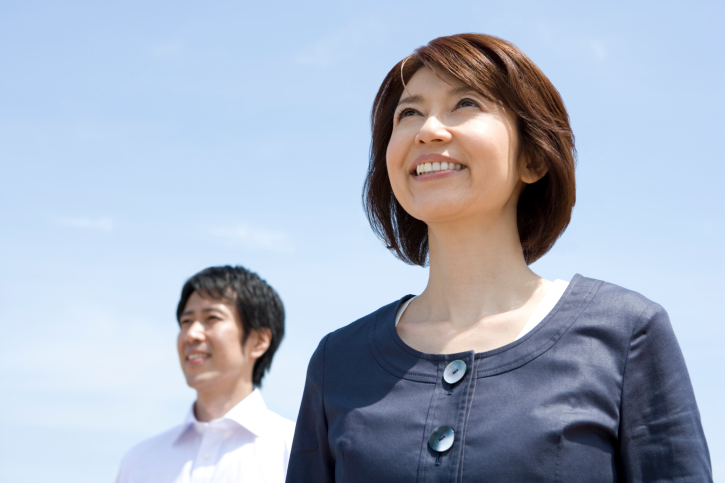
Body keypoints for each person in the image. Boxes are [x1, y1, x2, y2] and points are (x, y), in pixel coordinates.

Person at [286, 34, 711, 481]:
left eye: (465, 103)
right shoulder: (338, 361)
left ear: (533, 157)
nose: (428, 129)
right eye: (408, 112)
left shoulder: (625, 334)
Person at [117, 265, 295, 483]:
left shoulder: (296, 450)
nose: (191, 334)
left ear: (259, 341)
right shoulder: (138, 462)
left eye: (212, 318)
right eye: (186, 321)